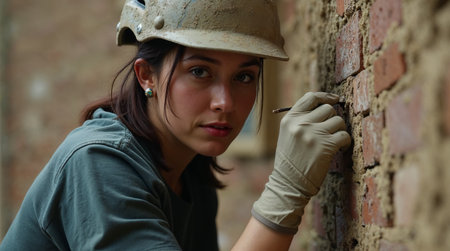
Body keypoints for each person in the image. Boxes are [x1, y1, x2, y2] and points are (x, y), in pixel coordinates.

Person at [0, 0, 351, 250]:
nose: (225, 102)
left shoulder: (190, 172)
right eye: (199, 71)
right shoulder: (98, 163)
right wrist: (286, 191)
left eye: (244, 76)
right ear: (146, 74)